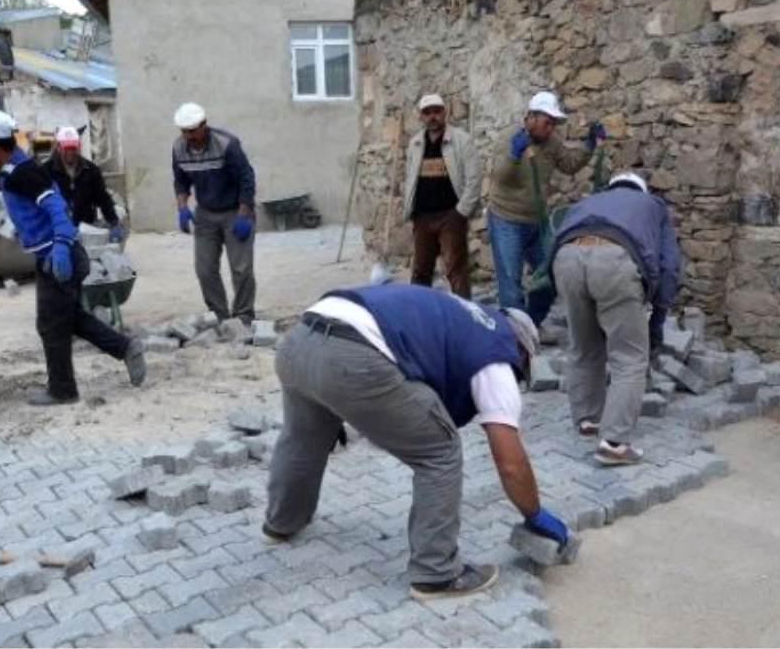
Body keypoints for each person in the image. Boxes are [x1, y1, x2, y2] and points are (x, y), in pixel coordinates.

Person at [263, 283, 572, 600]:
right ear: (521, 350)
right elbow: (510, 461)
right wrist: (534, 513)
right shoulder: (496, 351)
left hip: (301, 339)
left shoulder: (463, 315)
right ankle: (436, 573)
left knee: (303, 438)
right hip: (353, 356)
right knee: (440, 452)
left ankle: (280, 522)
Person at [0, 110, 147, 406]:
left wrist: (60, 246)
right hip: (53, 256)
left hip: (59, 257)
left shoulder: (22, 173)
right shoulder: (7, 171)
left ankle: (63, 390)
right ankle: (125, 348)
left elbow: (58, 207)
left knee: (51, 325)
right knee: (67, 320)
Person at [548, 172, 681, 465]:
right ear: (641, 189)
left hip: (566, 258)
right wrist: (657, 316)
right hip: (615, 260)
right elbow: (668, 266)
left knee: (583, 347)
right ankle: (614, 443)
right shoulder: (653, 205)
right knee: (630, 357)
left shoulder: (590, 201)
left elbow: (555, 239)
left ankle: (588, 419)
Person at [488, 91, 605, 326]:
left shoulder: (551, 143)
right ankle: (515, 341)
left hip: (537, 223)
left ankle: (530, 325)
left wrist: (589, 145)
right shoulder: (508, 138)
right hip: (506, 220)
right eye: (546, 123)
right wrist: (514, 154)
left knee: (550, 277)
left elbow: (569, 164)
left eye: (553, 124)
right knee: (511, 284)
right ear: (531, 117)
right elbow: (500, 177)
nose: (550, 129)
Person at [172, 102, 258, 325]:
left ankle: (243, 315)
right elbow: (181, 181)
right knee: (205, 269)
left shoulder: (227, 144)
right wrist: (182, 208)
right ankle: (220, 315)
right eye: (184, 131)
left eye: (192, 131)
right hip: (206, 214)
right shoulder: (179, 149)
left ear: (203, 125)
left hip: (235, 210)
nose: (188, 136)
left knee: (241, 269)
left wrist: (243, 214)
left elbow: (247, 179)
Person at [403, 93, 481, 298]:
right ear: (421, 116)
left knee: (456, 270)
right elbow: (410, 179)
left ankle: (464, 315)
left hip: (450, 216)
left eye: (437, 111)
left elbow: (474, 181)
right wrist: (411, 211)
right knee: (420, 271)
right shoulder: (415, 144)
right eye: (427, 113)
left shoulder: (462, 141)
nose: (432, 117)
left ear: (444, 113)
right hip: (423, 217)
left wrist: (460, 213)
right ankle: (418, 314)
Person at [46, 126, 125, 242]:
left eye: (73, 147)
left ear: (79, 146)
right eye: (66, 148)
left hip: (86, 229)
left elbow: (102, 199)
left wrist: (114, 223)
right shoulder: (46, 171)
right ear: (58, 147)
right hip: (57, 231)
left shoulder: (91, 170)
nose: (70, 152)